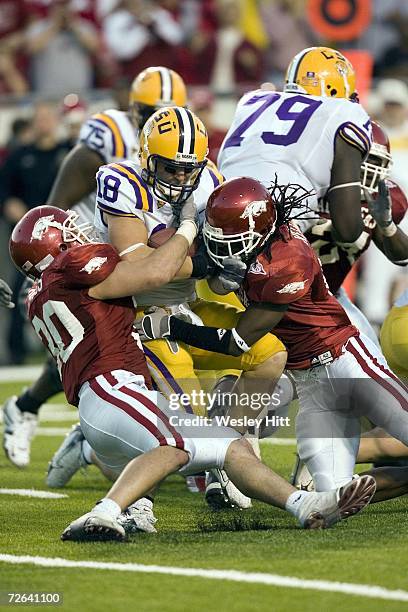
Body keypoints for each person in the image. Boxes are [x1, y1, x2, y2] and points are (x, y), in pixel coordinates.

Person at [8, 205, 375, 541]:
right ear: (51, 248)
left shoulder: (47, 292)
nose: (82, 236)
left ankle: (304, 506)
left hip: (110, 398)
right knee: (175, 444)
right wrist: (186, 228)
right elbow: (154, 272)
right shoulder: (72, 270)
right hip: (113, 390)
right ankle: (102, 513)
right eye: (70, 232)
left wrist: (204, 268)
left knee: (229, 445)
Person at [137, 176, 408, 494]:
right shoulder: (258, 238)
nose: (223, 246)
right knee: (331, 495)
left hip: (345, 362)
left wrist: (171, 327)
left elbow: (235, 342)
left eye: (232, 238)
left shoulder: (287, 262)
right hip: (311, 385)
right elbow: (213, 267)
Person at [2, 66, 187, 470]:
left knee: (128, 346)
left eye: (169, 109)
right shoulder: (109, 134)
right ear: (132, 107)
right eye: (150, 109)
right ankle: (47, 415)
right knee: (91, 349)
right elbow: (46, 213)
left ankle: (89, 437)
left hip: (134, 245)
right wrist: (43, 269)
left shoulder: (180, 142)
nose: (159, 116)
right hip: (89, 252)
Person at [217, 46, 372, 244]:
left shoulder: (252, 100)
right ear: (336, 87)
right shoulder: (343, 111)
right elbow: (348, 229)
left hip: (218, 209)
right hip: (272, 228)